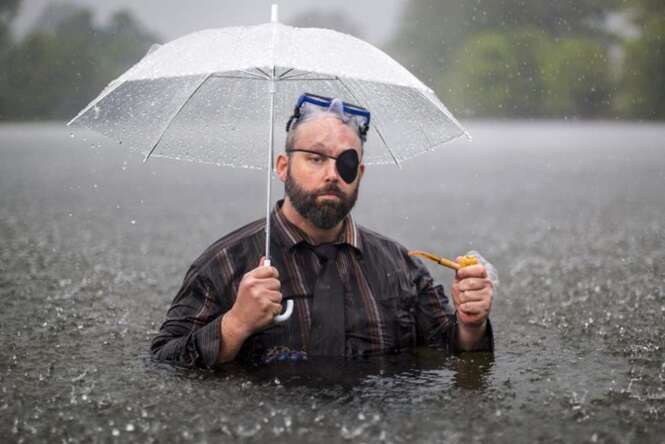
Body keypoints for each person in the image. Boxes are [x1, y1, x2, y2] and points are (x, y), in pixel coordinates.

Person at [151, 93, 494, 368]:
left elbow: (454, 352)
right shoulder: (225, 264)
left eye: (344, 163)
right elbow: (164, 360)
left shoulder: (400, 266)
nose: (332, 174)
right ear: (283, 167)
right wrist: (235, 324)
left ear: (359, 173)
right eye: (315, 158)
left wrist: (471, 323)